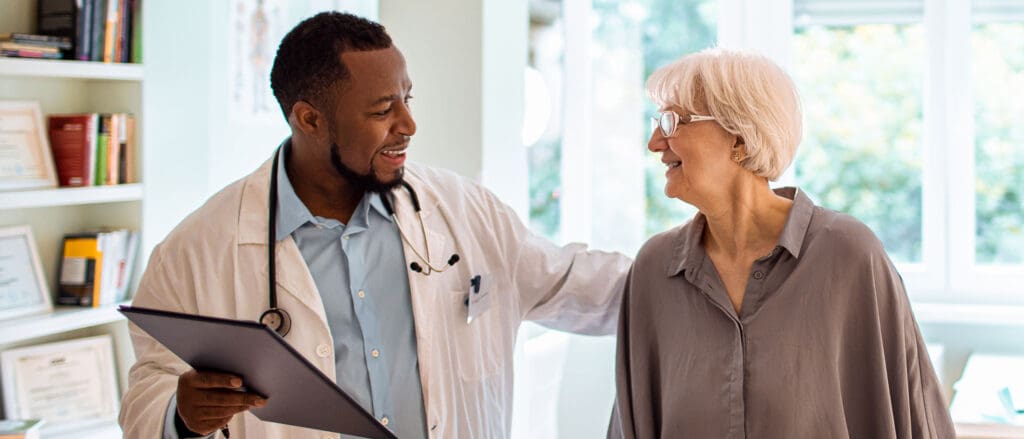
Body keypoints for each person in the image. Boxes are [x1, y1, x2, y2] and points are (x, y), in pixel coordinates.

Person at [118, 12, 630, 439]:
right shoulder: (197, 250)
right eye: (384, 109)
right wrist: (181, 417)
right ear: (310, 119)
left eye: (408, 98)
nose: (408, 124)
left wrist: (700, 260)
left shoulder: (463, 210)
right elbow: (148, 394)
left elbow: (575, 283)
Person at [609, 49, 955, 438]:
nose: (655, 142)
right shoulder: (654, 270)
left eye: (673, 122)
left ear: (739, 137)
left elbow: (914, 416)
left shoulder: (849, 255)